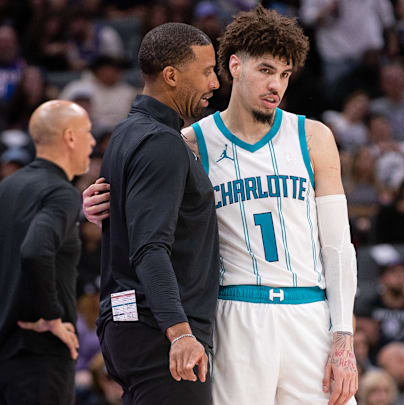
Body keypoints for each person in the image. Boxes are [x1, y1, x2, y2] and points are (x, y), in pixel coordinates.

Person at [85, 7, 358, 405]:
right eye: (266, 70)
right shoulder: (189, 141)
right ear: (234, 66)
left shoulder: (313, 136)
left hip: (308, 311)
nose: (276, 86)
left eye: (284, 75)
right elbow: (146, 205)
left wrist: (343, 335)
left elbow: (337, 245)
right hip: (234, 313)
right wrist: (95, 203)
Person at [96, 23, 221, 404]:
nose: (215, 83)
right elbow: (150, 247)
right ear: (171, 76)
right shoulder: (162, 144)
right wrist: (180, 332)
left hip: (131, 324)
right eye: (207, 71)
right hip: (159, 333)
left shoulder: (126, 134)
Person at [0, 100, 96, 404]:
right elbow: (35, 250)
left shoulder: (3, 191)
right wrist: (50, 316)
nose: (93, 141)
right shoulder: (61, 192)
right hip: (40, 358)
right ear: (70, 137)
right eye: (88, 132)